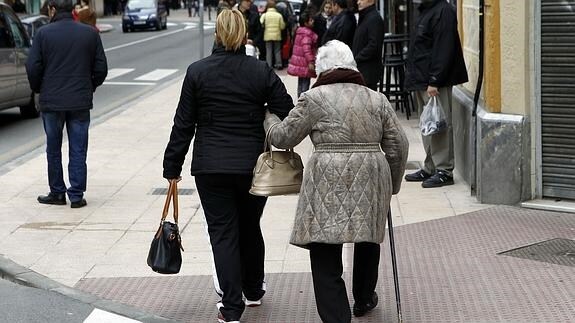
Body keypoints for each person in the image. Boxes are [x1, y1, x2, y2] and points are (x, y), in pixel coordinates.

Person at [162, 9, 293, 323]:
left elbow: (183, 124)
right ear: (245, 34)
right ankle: (254, 290)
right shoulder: (260, 71)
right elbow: (286, 110)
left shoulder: (198, 72)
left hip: (211, 166)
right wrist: (260, 112)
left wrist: (172, 166)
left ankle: (231, 307)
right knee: (250, 227)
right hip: (252, 166)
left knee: (223, 233)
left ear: (217, 34)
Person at [264, 40, 408, 323]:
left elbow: (284, 137)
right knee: (367, 237)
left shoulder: (313, 98)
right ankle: (364, 298)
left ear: (322, 69)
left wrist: (268, 119)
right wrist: (391, 182)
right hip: (371, 172)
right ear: (352, 65)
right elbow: (398, 144)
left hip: (327, 176)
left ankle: (337, 317)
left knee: (325, 248)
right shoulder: (376, 98)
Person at [26, 0, 108, 208]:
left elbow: (33, 66)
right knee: (78, 148)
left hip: (52, 101)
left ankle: (57, 192)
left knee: (53, 148)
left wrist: (39, 88)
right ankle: (77, 195)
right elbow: (101, 68)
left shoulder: (43, 34)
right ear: (73, 10)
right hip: (80, 100)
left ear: (52, 10)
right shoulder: (89, 33)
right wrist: (90, 86)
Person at [404, 0, 468, 188]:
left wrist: (435, 80)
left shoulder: (444, 10)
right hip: (422, 80)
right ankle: (430, 166)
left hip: (434, 82)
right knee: (428, 125)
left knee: (440, 126)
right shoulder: (426, 10)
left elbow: (444, 48)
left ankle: (444, 171)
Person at [351, 0, 384, 91]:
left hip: (368, 73)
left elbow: (374, 45)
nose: (358, 2)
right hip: (362, 71)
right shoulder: (365, 17)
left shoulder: (374, 18)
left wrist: (357, 58)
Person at [287, 12, 318, 97]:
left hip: (300, 62)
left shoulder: (299, 32)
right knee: (305, 84)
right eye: (311, 20)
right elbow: (307, 49)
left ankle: (299, 100)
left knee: (300, 83)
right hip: (305, 63)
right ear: (305, 23)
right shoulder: (307, 34)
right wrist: (311, 61)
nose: (313, 21)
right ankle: (303, 102)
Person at [260, 0, 285, 69]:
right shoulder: (279, 15)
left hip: (267, 35)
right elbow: (282, 26)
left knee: (269, 50)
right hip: (277, 35)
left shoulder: (264, 15)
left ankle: (269, 65)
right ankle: (279, 64)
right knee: (277, 50)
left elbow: (261, 23)